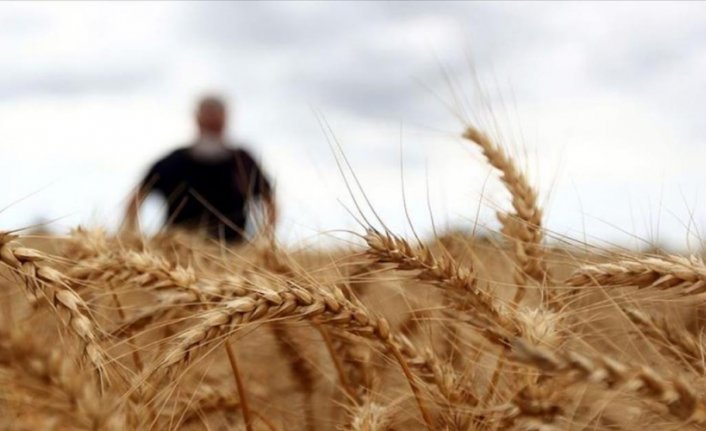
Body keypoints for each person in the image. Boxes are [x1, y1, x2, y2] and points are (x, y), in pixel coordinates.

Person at [125, 96, 276, 242]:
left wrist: (263, 241)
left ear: (225, 120)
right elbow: (136, 199)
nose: (212, 124)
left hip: (233, 256)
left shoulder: (243, 162)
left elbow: (270, 200)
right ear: (197, 120)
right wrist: (134, 238)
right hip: (177, 256)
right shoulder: (173, 162)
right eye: (208, 120)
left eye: (216, 121)